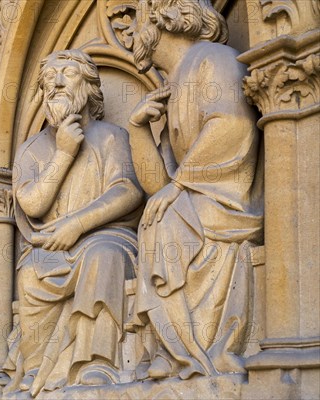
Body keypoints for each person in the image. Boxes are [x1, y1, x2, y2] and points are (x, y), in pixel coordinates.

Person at [126, 0, 263, 380]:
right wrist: (138, 130)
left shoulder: (214, 58)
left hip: (227, 199)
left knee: (166, 221)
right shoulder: (174, 84)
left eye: (137, 21)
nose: (129, 33)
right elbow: (159, 188)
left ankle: (192, 351)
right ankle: (175, 350)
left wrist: (180, 187)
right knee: (159, 216)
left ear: (163, 18)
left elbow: (232, 126)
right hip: (197, 198)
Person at [8, 49, 143, 396]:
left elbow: (128, 192)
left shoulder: (111, 136)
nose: (56, 82)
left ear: (89, 86)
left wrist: (78, 225)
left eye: (67, 72)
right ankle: (38, 368)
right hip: (50, 247)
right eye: (49, 78)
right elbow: (33, 203)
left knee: (103, 256)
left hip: (104, 236)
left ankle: (95, 360)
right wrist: (64, 152)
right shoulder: (30, 150)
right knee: (30, 272)